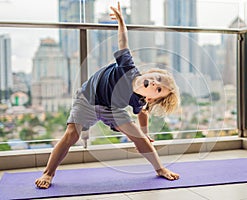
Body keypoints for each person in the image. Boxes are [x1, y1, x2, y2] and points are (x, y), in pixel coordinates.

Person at [35, 2, 180, 189]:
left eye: (159, 89)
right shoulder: (128, 67)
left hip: (112, 109)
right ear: (149, 72)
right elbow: (123, 42)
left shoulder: (139, 100)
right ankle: (48, 173)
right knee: (71, 135)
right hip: (87, 100)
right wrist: (121, 21)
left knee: (141, 140)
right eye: (157, 78)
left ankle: (160, 169)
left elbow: (142, 113)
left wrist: (144, 134)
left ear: (150, 98)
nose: (155, 83)